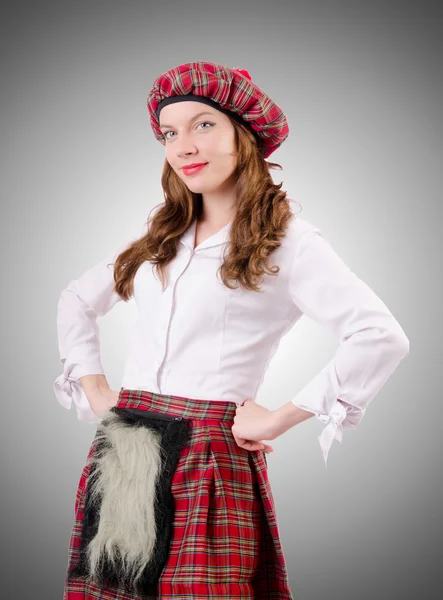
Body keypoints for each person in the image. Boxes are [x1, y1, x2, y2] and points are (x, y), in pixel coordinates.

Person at [54, 61, 410, 599]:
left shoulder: (289, 240)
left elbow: (380, 335)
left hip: (209, 457)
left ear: (244, 136)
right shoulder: (161, 235)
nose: (183, 146)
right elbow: (77, 298)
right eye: (170, 133)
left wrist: (278, 419)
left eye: (203, 125)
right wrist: (94, 385)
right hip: (124, 451)